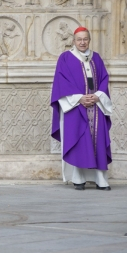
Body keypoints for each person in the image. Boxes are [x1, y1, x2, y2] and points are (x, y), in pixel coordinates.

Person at [50, 27, 113, 190]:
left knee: (98, 142)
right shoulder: (65, 58)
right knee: (78, 141)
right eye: (79, 39)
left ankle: (101, 180)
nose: (82, 42)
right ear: (74, 41)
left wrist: (98, 95)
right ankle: (78, 179)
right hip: (76, 106)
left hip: (96, 105)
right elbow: (61, 83)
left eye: (85, 39)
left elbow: (105, 78)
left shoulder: (96, 58)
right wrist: (79, 98)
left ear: (89, 40)